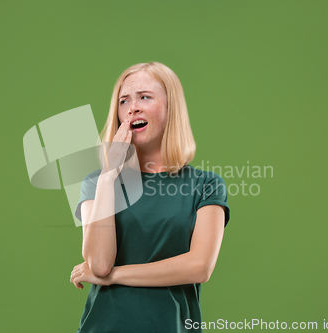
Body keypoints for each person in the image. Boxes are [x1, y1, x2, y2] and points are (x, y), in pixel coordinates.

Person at [70, 62, 231, 333]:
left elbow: (199, 266)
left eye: (144, 97)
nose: (132, 107)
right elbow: (99, 264)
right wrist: (109, 177)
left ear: (171, 108)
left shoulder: (206, 185)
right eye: (124, 101)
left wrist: (115, 276)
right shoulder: (96, 184)